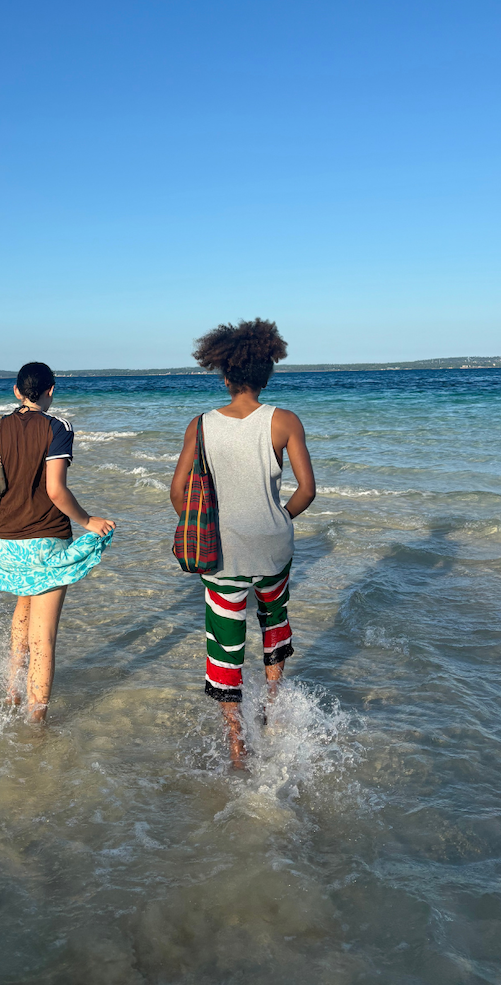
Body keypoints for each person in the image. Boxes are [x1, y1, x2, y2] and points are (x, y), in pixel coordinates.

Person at [170, 319, 316, 767]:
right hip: (273, 547)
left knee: (226, 640)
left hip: (222, 552)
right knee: (274, 624)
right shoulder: (284, 421)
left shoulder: (201, 426)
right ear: (267, 373)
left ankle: (237, 742)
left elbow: (178, 494)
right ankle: (273, 704)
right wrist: (278, 519)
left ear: (226, 375)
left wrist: (204, 525)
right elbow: (307, 490)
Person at [0, 362, 116, 721]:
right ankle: (36, 723)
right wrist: (89, 521)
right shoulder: (58, 427)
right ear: (51, 389)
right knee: (43, 637)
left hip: (4, 542)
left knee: (23, 609)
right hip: (45, 543)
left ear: (16, 391)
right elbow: (55, 489)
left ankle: (12, 690)